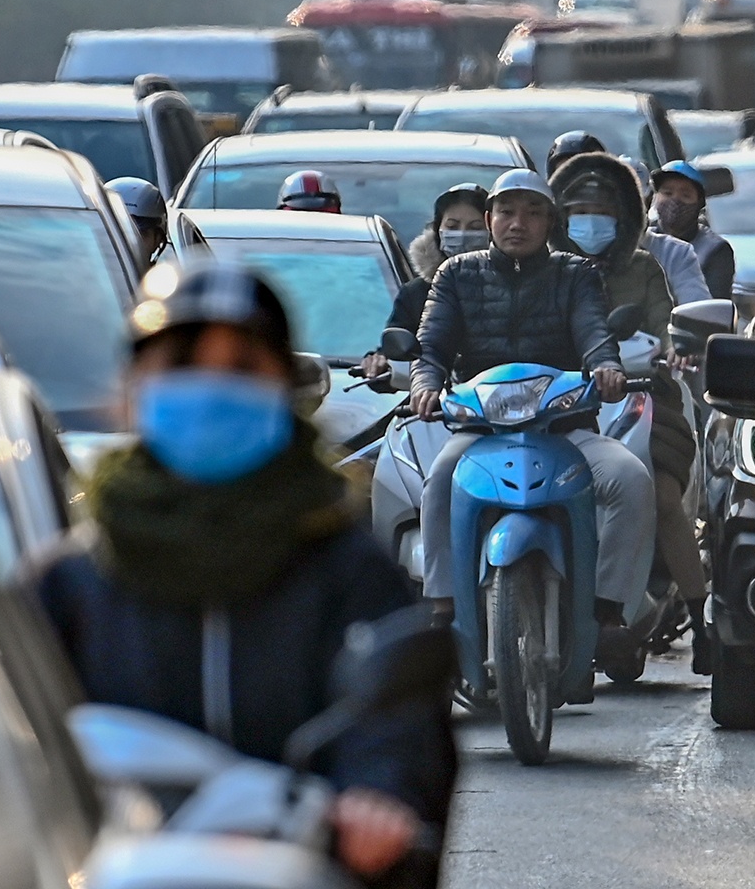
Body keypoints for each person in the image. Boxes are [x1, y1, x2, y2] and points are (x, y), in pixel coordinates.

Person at [27, 260, 455, 885]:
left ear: (285, 388)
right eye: (183, 366)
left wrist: (376, 800)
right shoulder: (71, 584)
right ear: (131, 388)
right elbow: (1, 744)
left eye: (242, 369)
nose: (210, 388)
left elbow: (396, 716)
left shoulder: (346, 569)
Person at [411, 169, 655, 668]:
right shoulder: (455, 275)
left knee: (632, 479)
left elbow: (593, 332)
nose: (517, 223)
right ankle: (443, 606)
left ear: (551, 222)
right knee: (439, 481)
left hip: (564, 431)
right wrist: (424, 383)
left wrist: (606, 366)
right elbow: (431, 345)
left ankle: (608, 613)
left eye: (532, 212)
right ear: (489, 219)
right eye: (506, 212)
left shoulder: (577, 274)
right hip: (481, 434)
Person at [551, 151, 713, 673]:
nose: (589, 221)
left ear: (624, 218)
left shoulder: (645, 268)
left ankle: (700, 618)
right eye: (577, 210)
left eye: (601, 211)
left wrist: (674, 348)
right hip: (551, 408)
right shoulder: (541, 271)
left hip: (642, 399)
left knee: (662, 498)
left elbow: (670, 324)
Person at [549, 131, 707, 302]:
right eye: (566, 176)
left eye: (602, 211)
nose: (581, 186)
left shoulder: (668, 256)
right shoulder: (543, 264)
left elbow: (695, 314)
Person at [362, 183, 488, 382]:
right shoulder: (415, 293)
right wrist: (381, 363)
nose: (463, 235)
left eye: (475, 228)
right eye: (453, 227)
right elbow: (396, 353)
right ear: (438, 230)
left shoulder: (514, 285)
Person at [650, 161, 735, 301]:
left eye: (686, 195)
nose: (675, 201)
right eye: (667, 193)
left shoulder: (715, 250)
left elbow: (713, 310)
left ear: (699, 203)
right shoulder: (643, 240)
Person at [107, 176, 169, 267]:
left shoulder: (166, 280)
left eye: (140, 234)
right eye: (114, 233)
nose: (125, 243)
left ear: (158, 239)